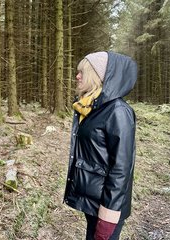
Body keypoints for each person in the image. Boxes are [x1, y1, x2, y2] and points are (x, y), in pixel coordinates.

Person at [63, 51, 137, 240]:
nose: (77, 76)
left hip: (107, 207)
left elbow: (121, 169)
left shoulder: (117, 111)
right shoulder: (90, 107)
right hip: (93, 203)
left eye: (82, 72)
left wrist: (108, 215)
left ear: (98, 76)